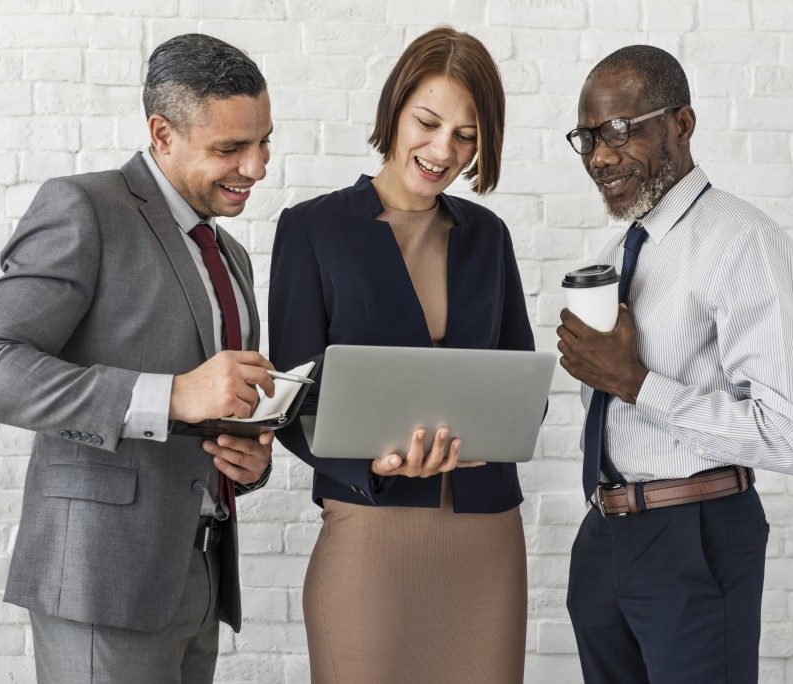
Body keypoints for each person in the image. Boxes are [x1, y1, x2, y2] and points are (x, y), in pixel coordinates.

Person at [0, 34, 279, 682]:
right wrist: (171, 395)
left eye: (264, 141)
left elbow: (217, 406)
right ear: (162, 134)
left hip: (201, 571)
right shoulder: (84, 209)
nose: (258, 166)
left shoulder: (231, 257)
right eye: (230, 149)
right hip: (100, 582)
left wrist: (248, 460)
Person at [269, 26, 532, 683]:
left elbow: (518, 375)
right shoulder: (311, 230)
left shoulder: (488, 238)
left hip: (485, 536)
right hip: (370, 530)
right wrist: (373, 465)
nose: (443, 150)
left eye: (466, 136)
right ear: (393, 110)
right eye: (428, 122)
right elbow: (292, 401)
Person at [556, 45, 793, 682]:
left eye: (621, 129)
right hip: (607, 535)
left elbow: (791, 435)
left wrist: (635, 382)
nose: (600, 155)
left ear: (681, 123)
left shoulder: (742, 243)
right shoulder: (619, 249)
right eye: (588, 136)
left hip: (696, 535)